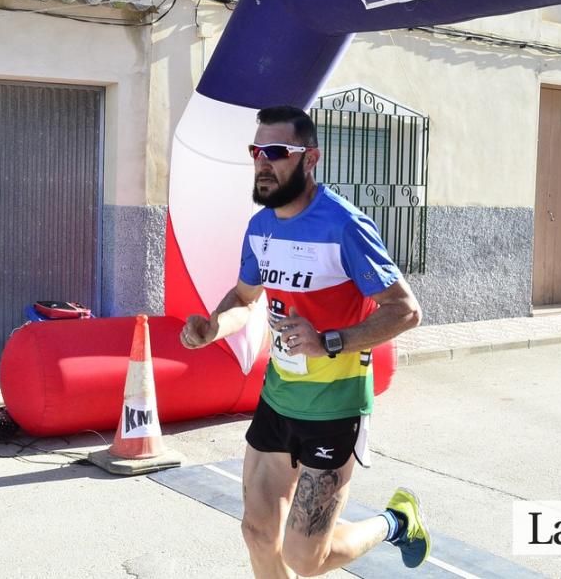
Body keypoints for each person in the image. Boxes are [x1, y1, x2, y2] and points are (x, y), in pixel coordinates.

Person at [180, 105, 428, 577]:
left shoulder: (344, 225)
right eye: (257, 151)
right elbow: (244, 297)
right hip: (279, 400)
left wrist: (329, 341)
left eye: (276, 152)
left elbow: (406, 310)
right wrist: (213, 326)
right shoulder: (261, 227)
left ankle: (396, 521)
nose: (263, 163)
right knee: (257, 534)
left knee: (302, 558)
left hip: (334, 412)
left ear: (310, 159)